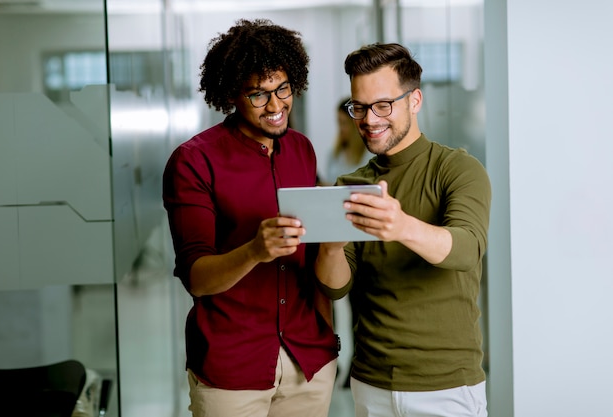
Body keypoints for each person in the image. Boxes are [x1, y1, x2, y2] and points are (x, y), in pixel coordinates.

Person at [162, 19, 338, 417]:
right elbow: (197, 278)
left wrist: (325, 335)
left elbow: (310, 260)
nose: (276, 106)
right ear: (231, 94)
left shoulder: (302, 150)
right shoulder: (194, 161)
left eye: (282, 89)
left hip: (307, 362)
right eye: (258, 94)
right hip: (232, 368)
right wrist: (255, 250)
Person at [314, 43, 491, 417]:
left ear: (415, 101)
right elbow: (336, 286)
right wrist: (330, 247)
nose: (368, 119)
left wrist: (401, 225)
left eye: (383, 105)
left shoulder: (458, 170)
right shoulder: (350, 184)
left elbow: (466, 249)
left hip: (447, 385)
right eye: (358, 107)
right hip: (371, 382)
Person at [322, 98, 373, 185]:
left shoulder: (370, 154)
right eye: (339, 123)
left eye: (344, 123)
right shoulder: (333, 154)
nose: (341, 129)